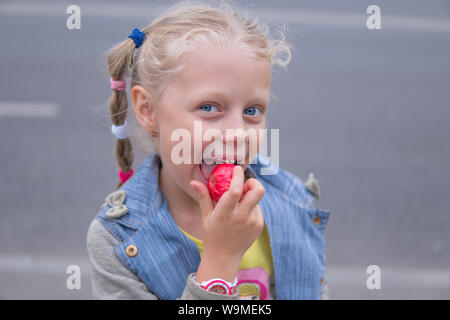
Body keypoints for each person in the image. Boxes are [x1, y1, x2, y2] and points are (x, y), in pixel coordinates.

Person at [86, 0, 330, 300]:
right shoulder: (116, 241)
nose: (237, 134)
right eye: (209, 107)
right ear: (148, 110)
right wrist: (220, 261)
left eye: (252, 110)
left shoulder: (293, 203)